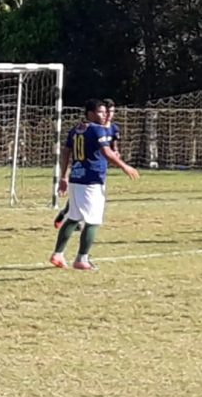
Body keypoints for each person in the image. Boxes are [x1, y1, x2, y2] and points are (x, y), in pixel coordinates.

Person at [49, 98, 139, 271]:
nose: (105, 115)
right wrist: (124, 166)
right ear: (90, 113)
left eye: (106, 112)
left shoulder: (76, 129)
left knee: (73, 218)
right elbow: (106, 152)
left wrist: (64, 177)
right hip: (91, 180)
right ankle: (82, 259)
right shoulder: (97, 130)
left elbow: (66, 151)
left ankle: (58, 254)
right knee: (93, 221)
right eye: (100, 112)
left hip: (76, 178)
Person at [53, 97, 121, 229]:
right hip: (86, 169)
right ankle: (72, 217)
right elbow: (68, 150)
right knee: (86, 202)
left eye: (112, 112)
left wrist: (116, 152)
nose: (108, 114)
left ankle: (71, 218)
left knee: (84, 198)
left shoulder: (113, 128)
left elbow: (113, 146)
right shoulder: (91, 129)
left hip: (99, 169)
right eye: (106, 111)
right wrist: (124, 166)